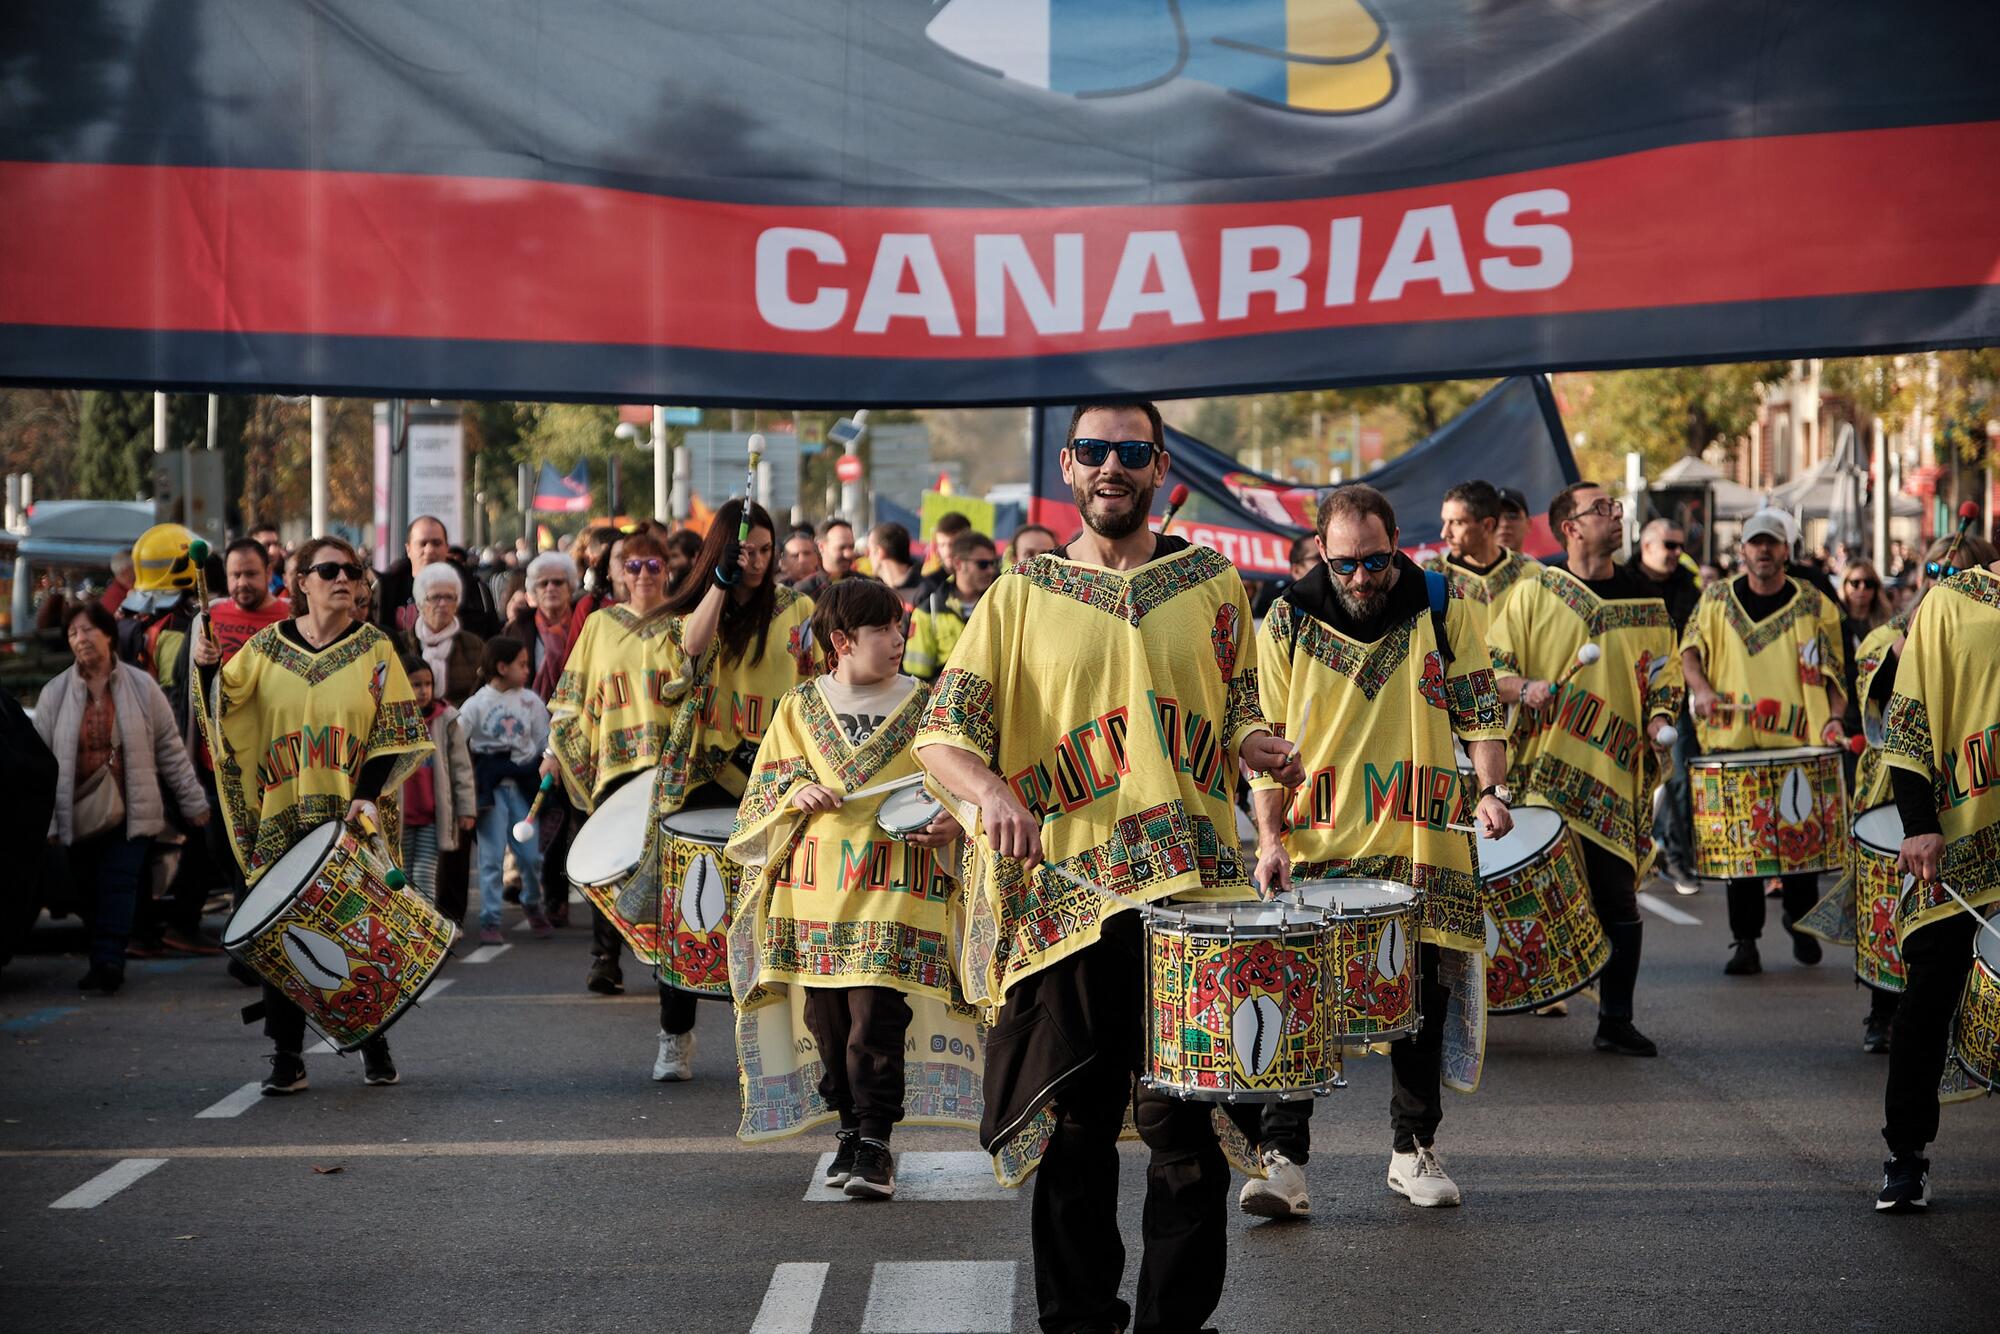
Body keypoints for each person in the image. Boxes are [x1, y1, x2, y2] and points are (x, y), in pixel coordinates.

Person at [917, 402, 1300, 1334]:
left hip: (1190, 897)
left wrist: (1258, 745)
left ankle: (1177, 1322)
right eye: (1094, 452)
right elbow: (941, 735)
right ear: (1070, 465)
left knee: (1188, 1136)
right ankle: (1079, 1321)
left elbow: (1238, 699)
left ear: (1159, 466)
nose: (1111, 468)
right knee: (1077, 1126)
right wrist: (992, 796)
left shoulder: (1211, 581)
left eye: (1131, 452)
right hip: (1066, 900)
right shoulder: (1019, 595)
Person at [1241, 484, 1512, 1221]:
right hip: (1321, 843)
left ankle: (1411, 1150)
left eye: (1377, 559)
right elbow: (1264, 743)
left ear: (1399, 541)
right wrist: (1269, 839)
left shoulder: (1444, 604)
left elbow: (1481, 709)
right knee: (1301, 1000)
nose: (1362, 577)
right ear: (1321, 551)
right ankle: (1285, 1164)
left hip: (1423, 839)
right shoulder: (1288, 618)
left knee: (1418, 999)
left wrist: (1492, 791)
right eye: (1347, 563)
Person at [724, 579, 968, 1198]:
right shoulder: (799, 707)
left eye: (899, 626)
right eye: (883, 629)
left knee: (875, 1018)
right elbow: (761, 796)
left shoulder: (927, 705)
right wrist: (791, 794)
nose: (898, 638)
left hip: (895, 888)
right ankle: (849, 1129)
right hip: (812, 894)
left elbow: (959, 786)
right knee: (827, 1024)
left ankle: (878, 1140)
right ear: (841, 641)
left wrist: (950, 822)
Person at [191, 536, 432, 1093]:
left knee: (354, 930)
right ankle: (287, 1055)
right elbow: (222, 709)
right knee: (285, 932)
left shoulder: (375, 649)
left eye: (352, 570)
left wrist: (368, 794)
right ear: (301, 583)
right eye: (329, 570)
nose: (343, 579)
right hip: (282, 810)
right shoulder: (266, 647)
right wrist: (205, 668)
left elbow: (395, 731)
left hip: (350, 812)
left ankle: (373, 1040)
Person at [1490, 482, 1682, 1059]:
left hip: (1613, 775)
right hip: (1541, 774)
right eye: (1602, 509)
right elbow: (1490, 670)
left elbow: (1663, 674)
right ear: (1569, 527)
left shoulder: (1647, 603)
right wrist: (1526, 688)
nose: (1616, 516)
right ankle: (1506, 997)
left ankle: (1616, 1020)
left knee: (1617, 898)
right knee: (1530, 894)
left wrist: (1660, 716)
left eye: (1616, 507)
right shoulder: (1532, 593)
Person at [1821, 535, 1997, 1053]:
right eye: (1938, 570)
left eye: (1960, 570)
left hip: (1971, 790)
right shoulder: (1891, 633)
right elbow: (1881, 691)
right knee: (1896, 913)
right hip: (1895, 787)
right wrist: (1919, 632)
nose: (1946, 579)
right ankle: (1881, 1011)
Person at [1872, 549, 2000, 1212]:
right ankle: (1907, 1155)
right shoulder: (1955, 601)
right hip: (1965, 837)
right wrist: (1919, 822)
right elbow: (1911, 718)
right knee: (1927, 1001)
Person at [1680, 509, 1848, 976]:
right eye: (1756, 543)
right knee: (1742, 848)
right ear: (1743, 550)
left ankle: (1800, 920)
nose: (1764, 551)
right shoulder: (1715, 599)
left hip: (1799, 740)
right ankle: (1746, 941)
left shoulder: (1814, 602)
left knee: (1800, 843)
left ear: (1786, 551)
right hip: (1734, 742)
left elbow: (1837, 668)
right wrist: (1702, 689)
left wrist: (1834, 718)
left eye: (1772, 543)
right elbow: (1689, 649)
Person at [36, 603, 211, 994]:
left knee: (120, 884)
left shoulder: (141, 686)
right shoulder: (55, 693)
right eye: (73, 634)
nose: (80, 639)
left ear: (109, 635)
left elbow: (169, 749)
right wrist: (47, 824)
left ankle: (108, 961)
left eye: (87, 631)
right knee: (87, 891)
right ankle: (103, 954)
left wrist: (193, 803)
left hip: (132, 811)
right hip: (78, 813)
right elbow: (44, 765)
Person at [460, 636, 553, 944]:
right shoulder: (476, 705)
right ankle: (490, 918)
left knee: (530, 855)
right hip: (492, 785)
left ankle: (531, 900)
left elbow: (544, 741)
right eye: (522, 664)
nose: (528, 670)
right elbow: (456, 741)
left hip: (525, 784)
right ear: (502, 667)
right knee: (490, 855)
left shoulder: (531, 701)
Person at [1631, 518, 1703, 883]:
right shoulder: (1624, 579)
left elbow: (1694, 644)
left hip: (1671, 696)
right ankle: (1637, 851)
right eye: (1669, 545)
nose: (1677, 553)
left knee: (1675, 774)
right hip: (1625, 692)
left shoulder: (1688, 588)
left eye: (1680, 546)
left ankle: (1676, 856)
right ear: (1646, 546)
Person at [397, 657, 476, 910]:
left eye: (428, 684)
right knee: (403, 874)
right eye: (415, 684)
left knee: (424, 874)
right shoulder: (392, 719)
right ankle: (407, 928)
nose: (423, 690)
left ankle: (423, 929)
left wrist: (465, 809)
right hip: (401, 817)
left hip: (433, 814)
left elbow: (461, 768)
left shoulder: (446, 719)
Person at [1424, 480, 1540, 640]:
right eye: (1445, 522)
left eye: (1457, 523)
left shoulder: (1531, 574)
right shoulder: (1430, 577)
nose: (1445, 533)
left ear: (1487, 525)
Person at [376, 514, 500, 637]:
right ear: (408, 549)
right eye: (422, 543)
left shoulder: (474, 589)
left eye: (436, 543)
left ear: (447, 548)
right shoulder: (387, 590)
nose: (429, 550)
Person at [902, 530, 999, 682]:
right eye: (983, 564)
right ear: (959, 563)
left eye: (993, 563)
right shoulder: (928, 610)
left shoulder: (999, 605)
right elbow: (916, 675)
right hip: (943, 701)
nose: (990, 570)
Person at [399, 562, 486, 706]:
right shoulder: (400, 643)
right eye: (435, 597)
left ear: (457, 603)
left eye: (449, 597)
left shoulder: (474, 645)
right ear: (420, 603)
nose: (443, 604)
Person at [1250, 533, 1324, 616]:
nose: (1326, 560)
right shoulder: (1280, 615)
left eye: (1329, 554)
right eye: (1318, 557)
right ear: (1296, 571)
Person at [867, 522, 930, 612]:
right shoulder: (874, 592)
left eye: (870, 550)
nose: (868, 557)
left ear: (879, 552)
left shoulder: (923, 592)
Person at [795, 517, 856, 599]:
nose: (848, 554)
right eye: (841, 548)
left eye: (851, 547)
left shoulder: (867, 586)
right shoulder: (805, 591)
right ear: (821, 547)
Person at [1494, 486, 1532, 554]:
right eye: (1497, 516)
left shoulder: (1536, 565)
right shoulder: (1470, 563)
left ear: (1528, 524)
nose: (1505, 524)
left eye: (1513, 516)